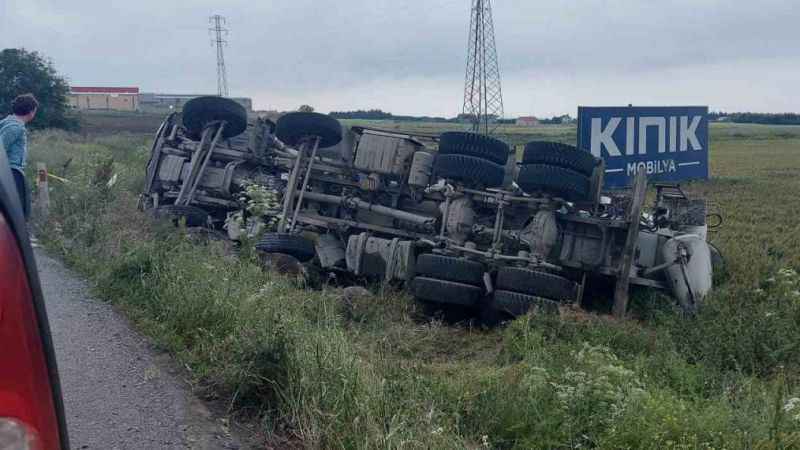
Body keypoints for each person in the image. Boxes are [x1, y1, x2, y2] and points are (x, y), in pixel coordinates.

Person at [0, 94, 38, 219]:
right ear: (31, 111)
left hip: (10, 172)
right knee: (17, 213)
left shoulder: (9, 123)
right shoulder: (14, 127)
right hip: (11, 173)